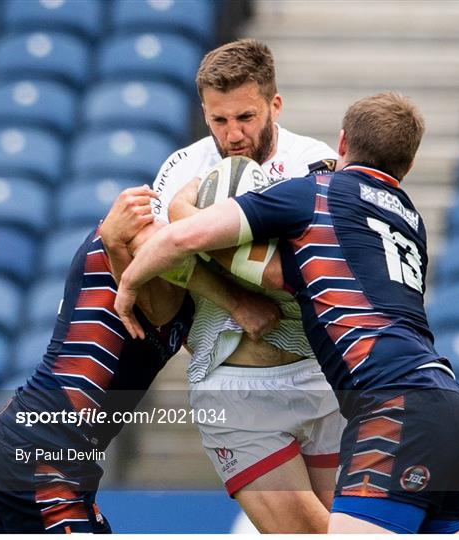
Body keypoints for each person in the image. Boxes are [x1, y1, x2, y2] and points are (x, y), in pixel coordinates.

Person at [115, 91, 459, 534]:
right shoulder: (410, 219)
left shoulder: (315, 194)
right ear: (407, 167)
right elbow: (293, 273)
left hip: (393, 407)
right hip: (454, 409)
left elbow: (183, 238)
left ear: (342, 143)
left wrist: (132, 278)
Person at [135, 38, 346, 533]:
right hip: (233, 387)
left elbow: (310, 270)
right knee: (307, 533)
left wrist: (192, 228)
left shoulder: (312, 164)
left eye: (246, 117)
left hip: (320, 376)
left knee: (351, 528)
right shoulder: (181, 169)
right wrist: (232, 299)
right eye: (218, 120)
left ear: (275, 104)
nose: (232, 135)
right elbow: (160, 282)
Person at [0, 186, 277, 534]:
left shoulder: (191, 287)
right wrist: (238, 303)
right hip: (45, 447)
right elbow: (156, 308)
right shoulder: (131, 236)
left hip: (61, 453)